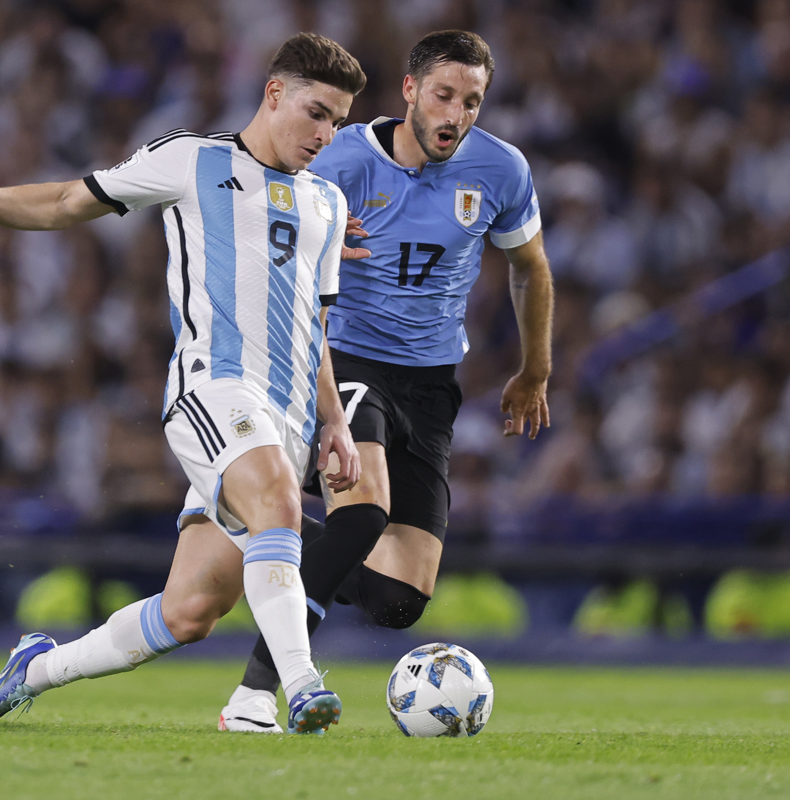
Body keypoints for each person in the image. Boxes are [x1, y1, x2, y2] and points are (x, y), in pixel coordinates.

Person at [0, 33, 367, 735]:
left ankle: (33, 670)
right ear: (274, 93)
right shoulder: (193, 159)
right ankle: (302, 684)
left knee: (189, 612)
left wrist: (335, 421)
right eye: (317, 112)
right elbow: (69, 200)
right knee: (281, 499)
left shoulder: (327, 205)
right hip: (210, 392)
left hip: (280, 424)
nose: (326, 133)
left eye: (338, 122)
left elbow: (314, 322)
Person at [219, 30, 553, 733]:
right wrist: (314, 237)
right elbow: (257, 225)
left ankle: (276, 533)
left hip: (431, 385)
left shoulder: (501, 170)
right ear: (409, 91)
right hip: (344, 363)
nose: (456, 115)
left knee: (398, 600)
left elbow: (531, 267)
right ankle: (256, 693)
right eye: (443, 96)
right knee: (366, 512)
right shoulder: (338, 159)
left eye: (472, 102)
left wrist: (535, 368)